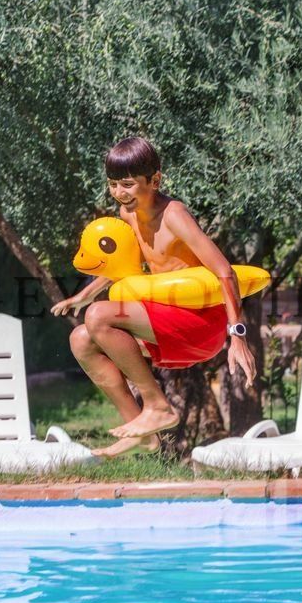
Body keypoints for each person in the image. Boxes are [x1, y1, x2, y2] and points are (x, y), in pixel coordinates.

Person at [50, 137, 257, 457]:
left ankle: (157, 406)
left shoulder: (174, 215)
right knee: (81, 340)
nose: (120, 193)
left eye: (128, 184)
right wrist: (84, 295)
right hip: (165, 323)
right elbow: (125, 267)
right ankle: (142, 431)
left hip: (200, 325)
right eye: (113, 184)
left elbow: (224, 271)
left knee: (99, 316)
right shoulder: (127, 214)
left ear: (155, 180)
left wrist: (238, 336)